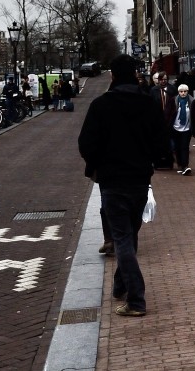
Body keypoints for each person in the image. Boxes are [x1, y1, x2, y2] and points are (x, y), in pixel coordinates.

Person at [78, 54, 170, 317]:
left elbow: (86, 144)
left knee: (122, 239)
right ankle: (120, 285)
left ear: (113, 76)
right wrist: (147, 158)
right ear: (136, 75)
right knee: (130, 234)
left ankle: (136, 300)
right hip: (140, 180)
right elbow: (163, 145)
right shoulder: (149, 104)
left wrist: (99, 163)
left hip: (112, 181)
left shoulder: (101, 106)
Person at [172, 83, 195, 176]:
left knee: (185, 147)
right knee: (177, 147)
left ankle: (185, 165)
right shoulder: (174, 101)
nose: (183, 93)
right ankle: (180, 164)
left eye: (185, 91)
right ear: (178, 92)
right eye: (181, 91)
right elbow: (170, 114)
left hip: (187, 128)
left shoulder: (192, 101)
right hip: (175, 127)